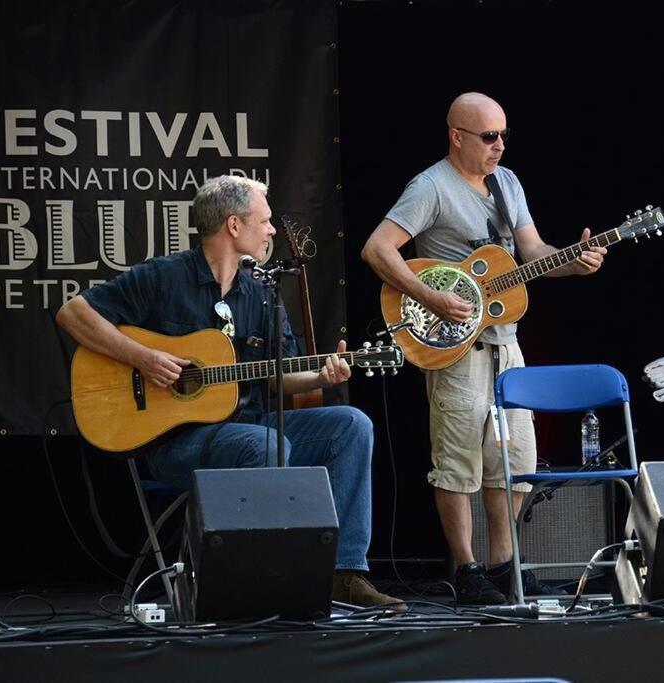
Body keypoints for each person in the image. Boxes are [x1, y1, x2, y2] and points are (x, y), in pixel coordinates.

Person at [57, 175, 400, 609]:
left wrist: (321, 376)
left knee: (351, 425)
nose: (273, 230)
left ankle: (344, 573)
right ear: (234, 226)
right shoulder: (165, 277)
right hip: (177, 443)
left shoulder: (261, 295)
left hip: (250, 426)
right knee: (266, 443)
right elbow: (73, 314)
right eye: (266, 220)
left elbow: (278, 377)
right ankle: (265, 579)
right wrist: (144, 358)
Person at [361, 92, 607, 604]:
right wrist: (430, 295)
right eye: (489, 137)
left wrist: (574, 259)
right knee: (457, 461)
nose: (499, 146)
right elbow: (377, 248)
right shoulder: (430, 186)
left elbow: (532, 253)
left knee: (516, 457)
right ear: (456, 136)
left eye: (504, 136)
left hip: (506, 343)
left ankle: (502, 565)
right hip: (455, 346)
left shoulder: (508, 182)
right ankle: (468, 571)